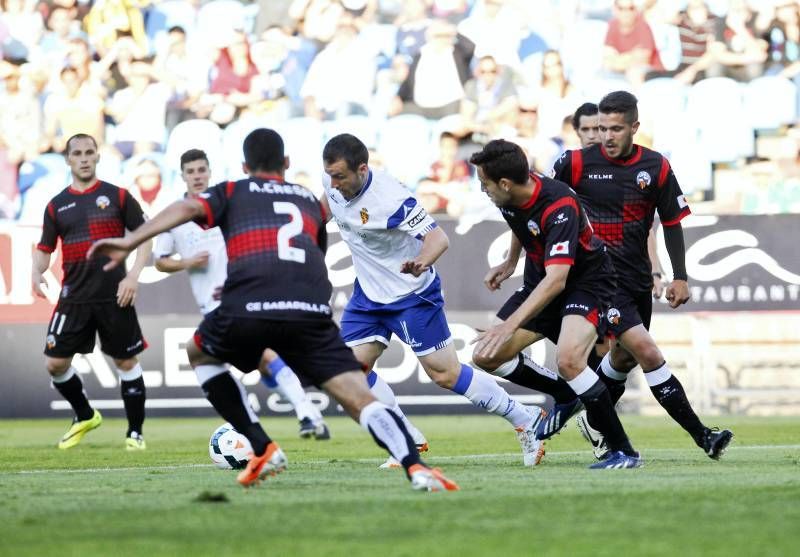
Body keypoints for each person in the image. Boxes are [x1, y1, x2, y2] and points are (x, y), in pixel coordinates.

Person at [88, 128, 458, 492]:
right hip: (309, 311)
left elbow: (188, 206)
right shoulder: (308, 199)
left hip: (250, 303)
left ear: (246, 165)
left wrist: (131, 240)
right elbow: (317, 250)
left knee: (199, 351)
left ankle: (262, 447)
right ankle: (416, 466)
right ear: (286, 163)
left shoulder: (234, 190)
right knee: (357, 394)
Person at [320, 133, 546, 469]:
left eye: (340, 176)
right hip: (368, 296)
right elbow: (321, 211)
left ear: (363, 170)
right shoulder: (332, 185)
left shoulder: (391, 198)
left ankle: (525, 417)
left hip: (412, 295)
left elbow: (438, 238)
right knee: (348, 373)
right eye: (330, 176)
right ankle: (404, 438)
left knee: (445, 374)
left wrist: (422, 261)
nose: (334, 183)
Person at [551, 91, 733, 460]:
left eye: (616, 128)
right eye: (601, 128)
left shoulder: (656, 166)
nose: (607, 136)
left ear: (634, 127)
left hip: (637, 280)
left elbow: (671, 222)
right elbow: (542, 205)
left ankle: (589, 416)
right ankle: (704, 437)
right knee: (649, 353)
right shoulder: (573, 163)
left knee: (623, 359)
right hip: (600, 281)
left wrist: (678, 275)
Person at [468, 139, 642, 469]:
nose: (482, 190)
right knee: (486, 355)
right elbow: (518, 219)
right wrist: (510, 261)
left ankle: (624, 452)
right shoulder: (511, 191)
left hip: (586, 283)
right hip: (541, 281)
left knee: (570, 359)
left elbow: (557, 280)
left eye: (484, 184)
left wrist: (510, 323)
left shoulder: (558, 203)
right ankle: (565, 394)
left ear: (504, 183)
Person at [153, 148, 330, 440]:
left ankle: (302, 415)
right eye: (191, 172)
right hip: (210, 303)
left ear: (209, 171)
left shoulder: (226, 205)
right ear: (182, 176)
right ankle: (283, 416)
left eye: (201, 170)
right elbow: (160, 260)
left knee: (260, 354)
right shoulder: (177, 215)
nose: (197, 176)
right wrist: (186, 262)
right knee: (247, 361)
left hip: (242, 297)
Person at [32, 133, 151, 450]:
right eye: (77, 153)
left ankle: (134, 434)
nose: (84, 158)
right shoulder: (57, 206)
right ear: (68, 160)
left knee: (126, 363)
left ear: (97, 157)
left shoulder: (119, 197)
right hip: (74, 297)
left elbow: (144, 237)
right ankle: (85, 414)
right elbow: (44, 249)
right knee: (55, 364)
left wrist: (134, 276)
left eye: (89, 152)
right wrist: (35, 270)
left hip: (115, 294)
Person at [569, 102, 665, 371]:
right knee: (588, 346)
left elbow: (641, 228)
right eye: (586, 129)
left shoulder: (621, 171)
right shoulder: (571, 168)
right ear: (576, 131)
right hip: (582, 274)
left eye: (596, 129)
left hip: (621, 274)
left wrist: (655, 272)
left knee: (617, 351)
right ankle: (592, 406)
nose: (592, 135)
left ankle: (597, 407)